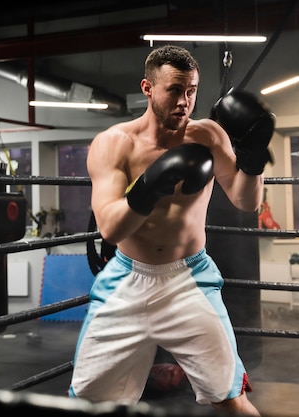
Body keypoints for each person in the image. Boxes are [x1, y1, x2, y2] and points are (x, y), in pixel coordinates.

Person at [68, 44, 274, 417]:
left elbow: (246, 202)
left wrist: (256, 156)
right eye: (174, 90)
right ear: (148, 89)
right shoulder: (115, 144)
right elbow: (111, 229)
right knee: (87, 404)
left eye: (192, 90)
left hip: (188, 279)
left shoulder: (208, 136)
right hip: (127, 281)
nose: (184, 101)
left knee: (233, 400)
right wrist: (153, 184)